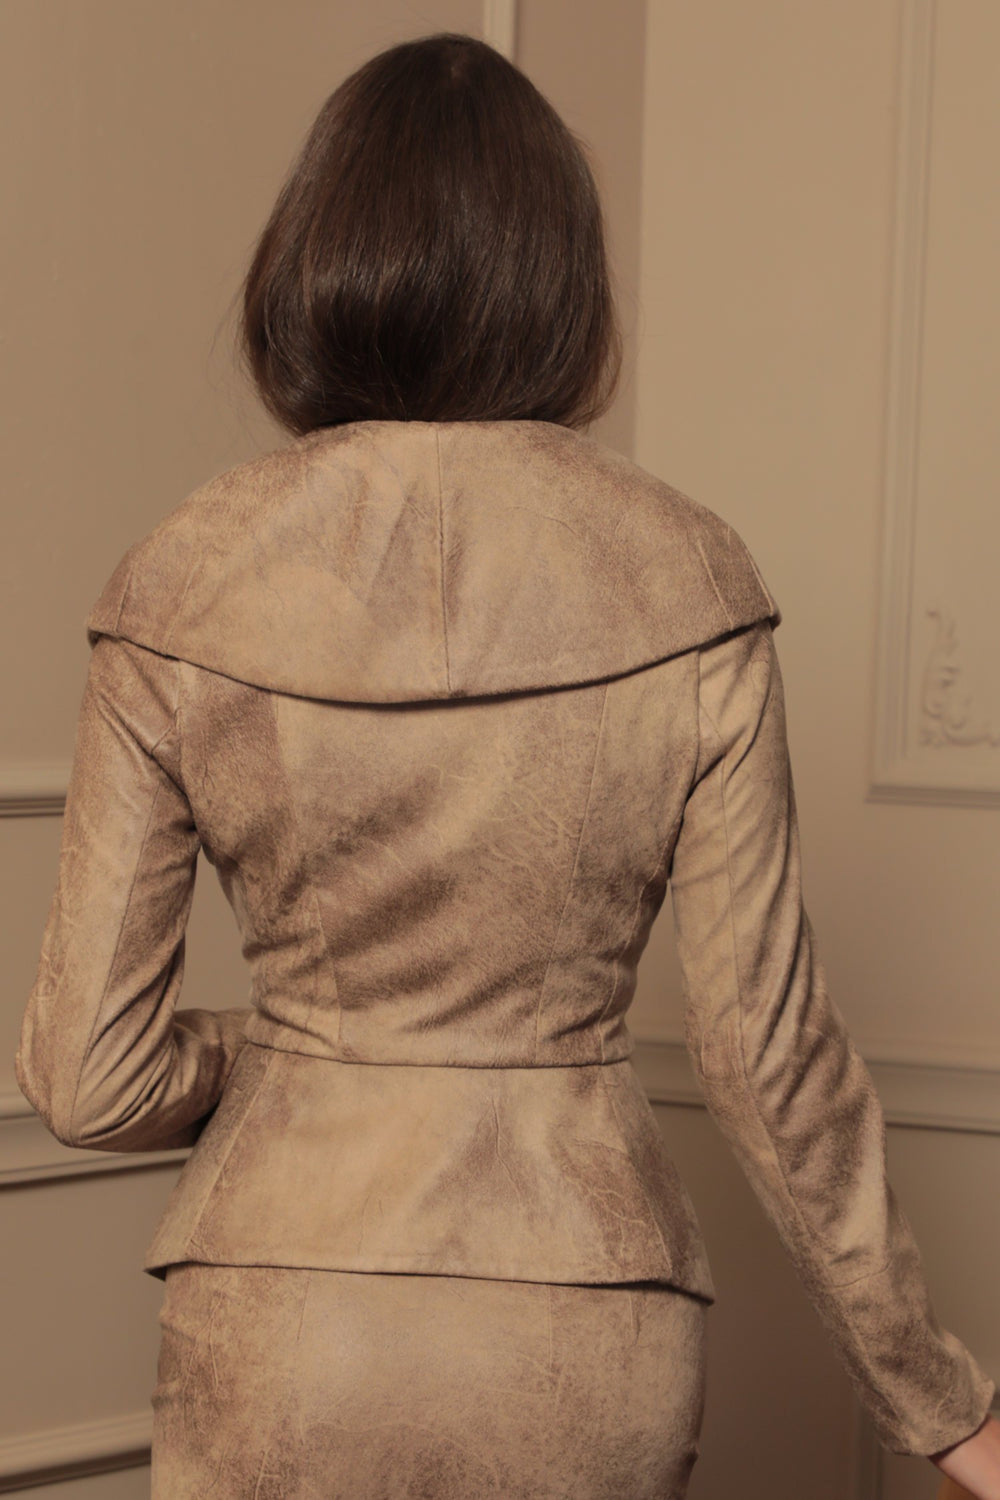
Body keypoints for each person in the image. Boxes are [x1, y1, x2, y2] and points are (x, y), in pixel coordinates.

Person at [14, 30, 999, 1500]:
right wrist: (941, 1403)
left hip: (282, 1314)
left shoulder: (181, 579)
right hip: (586, 1317)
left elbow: (88, 1081)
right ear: (563, 286)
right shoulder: (691, 575)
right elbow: (763, 1051)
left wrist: (274, 1056)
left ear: (306, 266)